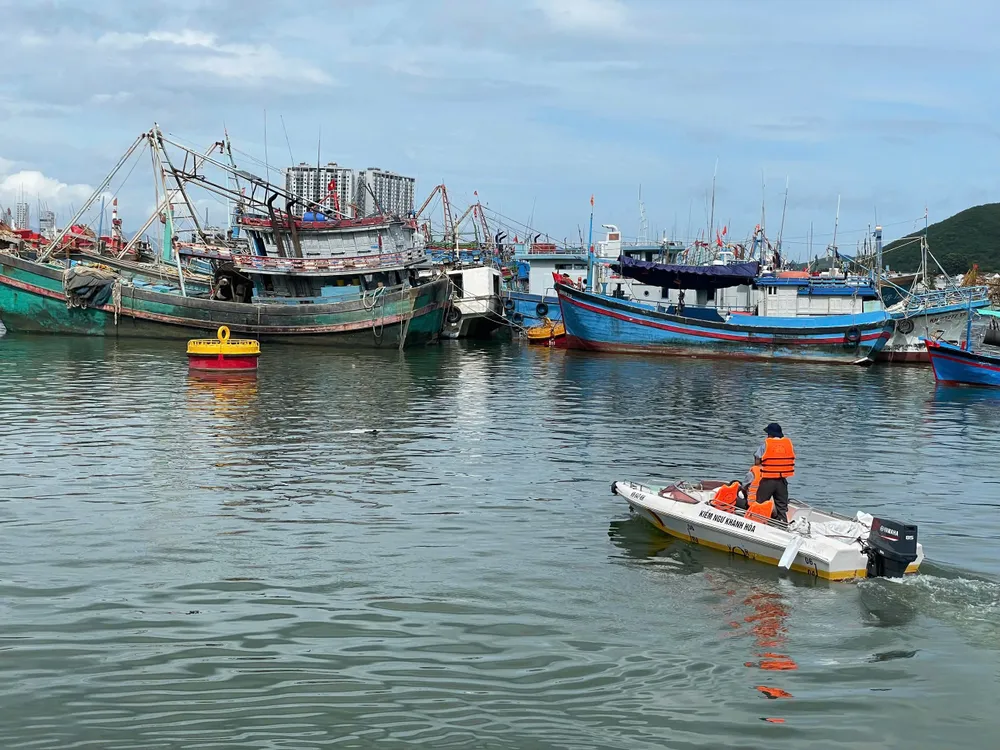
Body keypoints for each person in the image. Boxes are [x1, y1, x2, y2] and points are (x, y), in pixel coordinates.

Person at [754, 423, 795, 523]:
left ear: (770, 434)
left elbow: (757, 461)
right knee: (782, 508)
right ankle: (783, 526)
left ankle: (758, 523)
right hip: (782, 481)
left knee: (761, 504)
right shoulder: (788, 445)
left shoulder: (765, 445)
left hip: (768, 480)